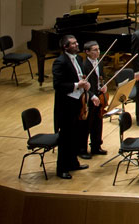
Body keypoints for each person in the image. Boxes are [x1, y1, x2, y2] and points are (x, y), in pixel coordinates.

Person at [52, 35, 89, 179]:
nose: (76, 44)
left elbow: (79, 76)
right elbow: (58, 85)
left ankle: (73, 162)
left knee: (76, 135)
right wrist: (76, 85)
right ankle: (62, 169)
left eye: (76, 42)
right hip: (66, 105)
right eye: (73, 43)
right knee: (66, 137)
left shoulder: (79, 59)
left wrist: (84, 84)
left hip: (78, 102)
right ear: (66, 47)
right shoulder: (60, 62)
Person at [79, 41, 108, 158]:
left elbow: (101, 78)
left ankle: (96, 146)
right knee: (86, 125)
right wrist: (92, 96)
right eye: (94, 50)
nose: (98, 52)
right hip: (87, 99)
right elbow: (84, 85)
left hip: (98, 96)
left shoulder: (99, 63)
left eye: (98, 49)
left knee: (98, 123)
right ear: (87, 52)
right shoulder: (84, 66)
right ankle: (82, 150)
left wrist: (103, 85)